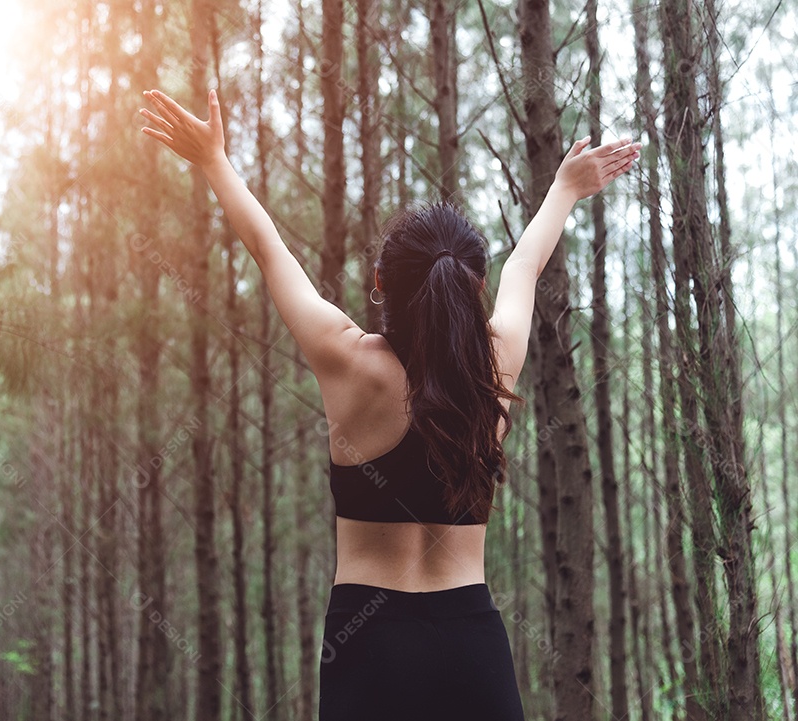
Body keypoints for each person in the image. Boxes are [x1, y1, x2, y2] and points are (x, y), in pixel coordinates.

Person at [140, 87, 640, 720]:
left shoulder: (348, 363)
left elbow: (269, 250)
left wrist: (214, 160)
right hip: (471, 647)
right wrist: (564, 189)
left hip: (367, 645)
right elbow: (526, 267)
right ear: (471, 287)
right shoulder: (493, 366)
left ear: (380, 284)